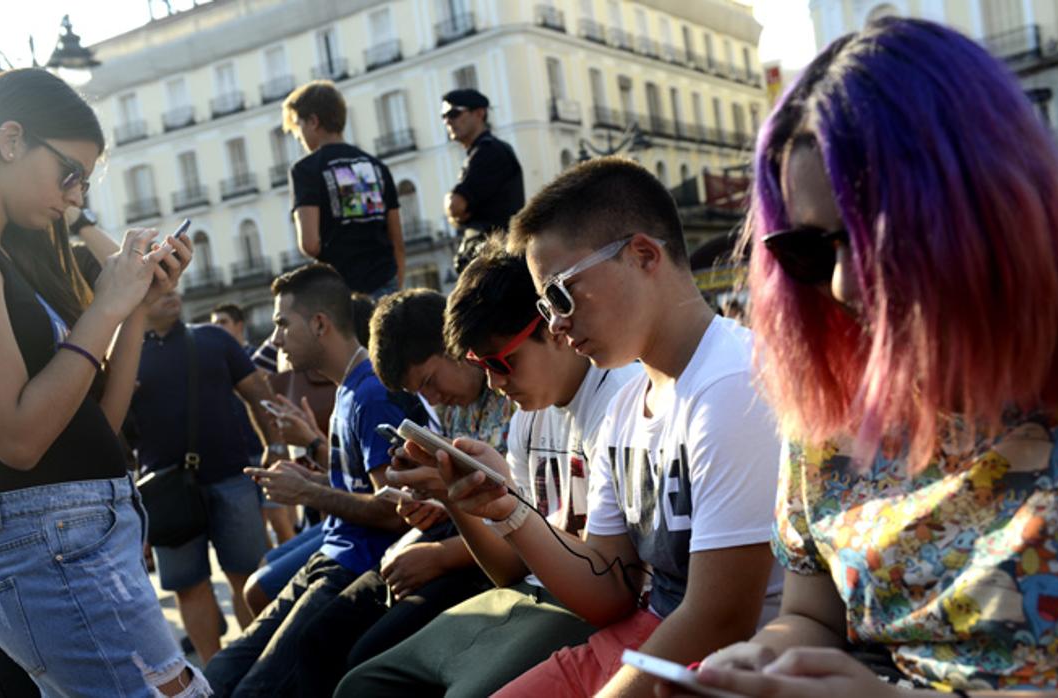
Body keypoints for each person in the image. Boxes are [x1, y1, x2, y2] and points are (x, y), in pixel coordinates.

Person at [672, 18, 1058, 698]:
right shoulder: (831, 393)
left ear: (993, 205)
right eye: (810, 250)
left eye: (878, 235)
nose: (845, 284)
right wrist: (764, 666)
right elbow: (810, 614)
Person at [0, 68, 206, 696]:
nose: (75, 199)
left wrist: (134, 307)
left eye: (83, 183)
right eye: (70, 174)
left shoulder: (1, 248)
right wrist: (106, 307)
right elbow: (19, 440)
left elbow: (97, 426)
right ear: (9, 140)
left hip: (82, 531)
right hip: (49, 542)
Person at [419, 158, 784, 697]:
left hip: (724, 667)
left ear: (643, 256)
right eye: (545, 306)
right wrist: (509, 509)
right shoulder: (625, 404)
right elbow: (612, 587)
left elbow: (719, 620)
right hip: (641, 642)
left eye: (563, 294)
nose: (556, 324)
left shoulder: (730, 383)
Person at [336, 246, 640, 696]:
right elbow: (509, 570)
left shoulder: (619, 400)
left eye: (501, 363)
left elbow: (613, 591)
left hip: (586, 609)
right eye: (482, 367)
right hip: (531, 595)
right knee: (362, 683)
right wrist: (454, 495)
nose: (495, 384)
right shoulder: (528, 417)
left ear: (553, 328)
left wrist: (509, 511)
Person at [238, 287, 514, 698]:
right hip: (437, 543)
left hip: (479, 560)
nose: (432, 399)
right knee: (318, 638)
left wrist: (441, 554)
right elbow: (445, 495)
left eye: (430, 382)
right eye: (422, 391)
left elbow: (529, 515)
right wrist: (427, 498)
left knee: (356, 658)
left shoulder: (511, 394)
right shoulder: (450, 405)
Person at [203, 263, 422, 696]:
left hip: (355, 569)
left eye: (283, 323)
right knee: (218, 673)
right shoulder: (349, 388)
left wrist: (309, 490)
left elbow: (397, 512)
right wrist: (314, 476)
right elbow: (359, 488)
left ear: (320, 324)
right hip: (332, 556)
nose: (276, 338)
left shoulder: (373, 393)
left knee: (252, 690)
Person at [131, 291, 282, 662]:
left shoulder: (214, 339)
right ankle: (215, 674)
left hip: (233, 476)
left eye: (171, 282)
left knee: (248, 578)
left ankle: (261, 663)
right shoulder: (123, 358)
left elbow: (258, 395)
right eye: (155, 286)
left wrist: (275, 447)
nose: (170, 291)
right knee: (188, 586)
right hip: (164, 492)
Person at [284, 81, 404, 299]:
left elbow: (310, 243)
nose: (298, 136)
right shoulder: (376, 167)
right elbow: (397, 240)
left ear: (313, 121)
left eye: (298, 126)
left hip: (341, 289)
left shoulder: (305, 169)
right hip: (385, 284)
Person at [211, 302, 297, 547]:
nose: (218, 328)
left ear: (239, 325)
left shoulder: (257, 359)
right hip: (240, 456)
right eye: (215, 324)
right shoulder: (218, 364)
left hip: (266, 451)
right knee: (258, 529)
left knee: (279, 519)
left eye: (223, 322)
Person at [440, 88, 525, 272]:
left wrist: (455, 206)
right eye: (444, 116)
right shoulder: (479, 153)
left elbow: (456, 206)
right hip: (491, 256)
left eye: (454, 113)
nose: (448, 121)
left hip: (495, 261)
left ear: (479, 113)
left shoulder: (489, 152)